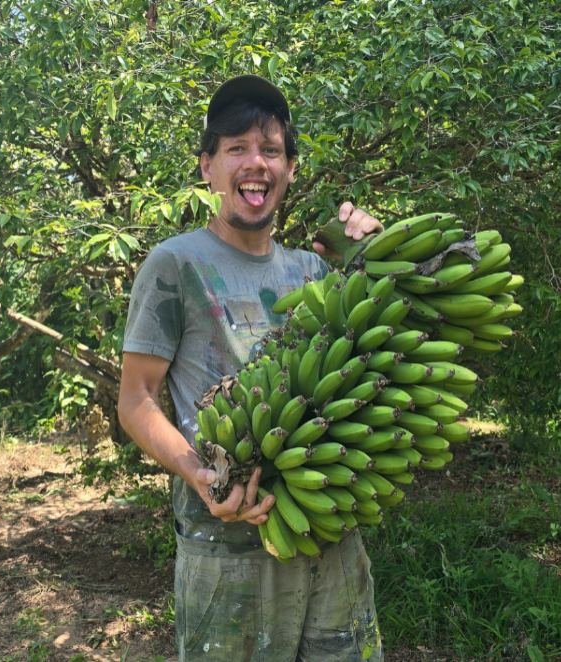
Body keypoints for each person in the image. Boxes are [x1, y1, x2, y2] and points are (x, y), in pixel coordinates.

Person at [118, 74, 385, 662]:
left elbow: (373, 372)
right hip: (225, 553)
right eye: (236, 148)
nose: (255, 163)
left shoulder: (313, 275)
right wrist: (199, 474)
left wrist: (367, 256)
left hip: (331, 542)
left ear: (289, 168)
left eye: (270, 150)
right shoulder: (175, 265)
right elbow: (136, 398)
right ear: (208, 166)